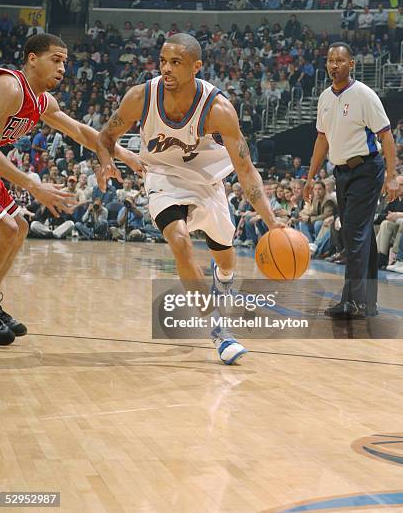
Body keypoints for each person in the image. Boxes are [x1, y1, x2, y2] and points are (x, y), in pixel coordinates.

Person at [96, 33, 284, 365]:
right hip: (162, 178)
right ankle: (218, 332)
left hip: (208, 181)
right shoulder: (140, 97)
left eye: (176, 63)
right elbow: (106, 136)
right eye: (163, 61)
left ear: (196, 67)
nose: (166, 69)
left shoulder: (219, 109)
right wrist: (107, 162)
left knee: (226, 262)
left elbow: (246, 169)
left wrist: (271, 222)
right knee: (180, 242)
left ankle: (221, 280)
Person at [0, 33, 142, 346]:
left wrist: (123, 152)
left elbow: (81, 132)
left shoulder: (42, 101)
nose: (63, 67)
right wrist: (32, 184)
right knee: (8, 227)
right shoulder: (8, 87)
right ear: (32, 59)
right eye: (56, 59)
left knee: (19, 228)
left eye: (65, 61)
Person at [304, 42, 398, 319]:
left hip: (366, 170)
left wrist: (391, 177)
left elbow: (386, 135)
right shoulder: (324, 98)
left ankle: (353, 301)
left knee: (354, 234)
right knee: (360, 235)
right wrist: (310, 177)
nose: (335, 65)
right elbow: (321, 140)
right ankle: (366, 302)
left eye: (340, 61)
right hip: (342, 172)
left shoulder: (364, 95)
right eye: (331, 61)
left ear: (351, 64)